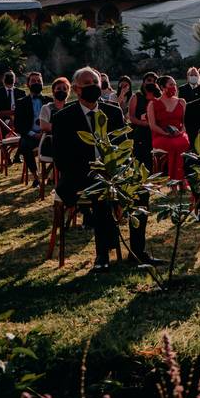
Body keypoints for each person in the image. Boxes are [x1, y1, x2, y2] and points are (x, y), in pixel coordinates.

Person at [52, 67, 160, 271]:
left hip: (114, 172)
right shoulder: (63, 118)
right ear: (76, 89)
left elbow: (123, 147)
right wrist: (95, 171)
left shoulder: (112, 111)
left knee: (141, 190)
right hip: (79, 175)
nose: (93, 87)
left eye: (96, 83)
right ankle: (103, 255)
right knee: (102, 192)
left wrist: (117, 170)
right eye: (87, 84)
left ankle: (138, 251)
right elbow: (61, 159)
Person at [147, 75, 189, 183]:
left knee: (181, 143)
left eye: (175, 84)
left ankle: (180, 179)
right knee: (173, 145)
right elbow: (153, 125)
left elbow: (184, 124)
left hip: (179, 134)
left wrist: (181, 132)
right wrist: (166, 133)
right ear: (162, 87)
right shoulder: (153, 104)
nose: (174, 87)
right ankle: (174, 180)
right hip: (161, 135)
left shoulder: (182, 102)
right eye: (171, 85)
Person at [15, 72, 52, 187]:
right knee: (25, 145)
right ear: (28, 84)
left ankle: (48, 174)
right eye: (33, 81)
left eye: (39, 81)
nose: (36, 83)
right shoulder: (21, 102)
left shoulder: (50, 101)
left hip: (47, 135)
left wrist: (45, 132)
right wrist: (34, 134)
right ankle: (36, 177)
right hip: (30, 135)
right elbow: (18, 125)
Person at [128, 72, 159, 169]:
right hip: (140, 133)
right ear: (143, 82)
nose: (151, 83)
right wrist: (146, 124)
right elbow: (132, 117)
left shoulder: (159, 97)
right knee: (140, 161)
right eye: (149, 80)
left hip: (155, 133)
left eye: (154, 81)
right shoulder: (136, 97)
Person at [38, 77, 70, 159]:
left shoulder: (71, 108)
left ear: (68, 92)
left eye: (64, 89)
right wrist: (65, 129)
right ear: (53, 91)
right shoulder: (47, 108)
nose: (61, 91)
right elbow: (44, 126)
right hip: (52, 142)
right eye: (58, 88)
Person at [0, 70, 25, 141]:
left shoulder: (21, 93)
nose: (9, 78)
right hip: (2, 125)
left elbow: (24, 111)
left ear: (15, 79)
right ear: (2, 80)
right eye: (7, 76)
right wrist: (8, 121)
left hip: (18, 124)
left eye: (11, 76)